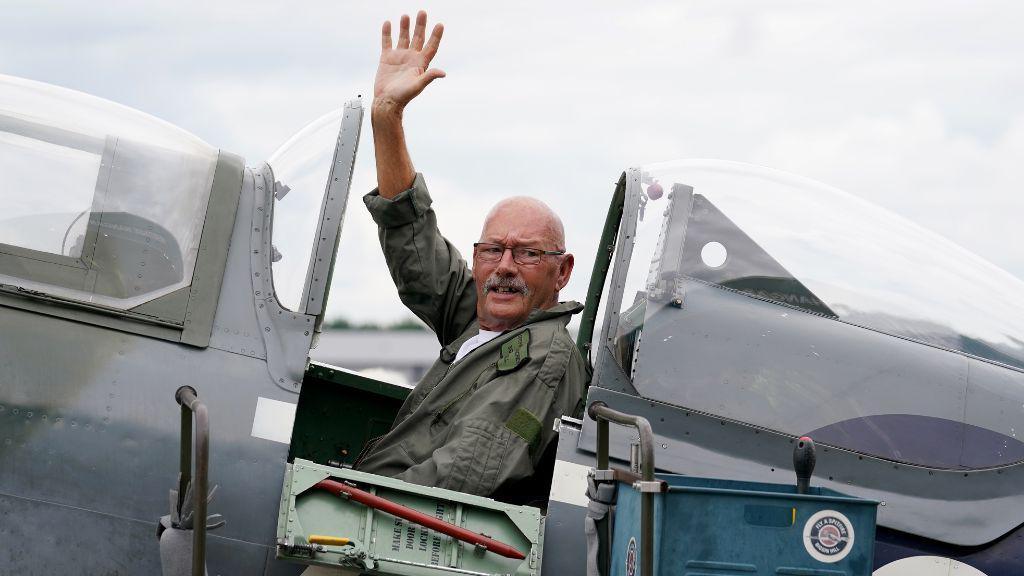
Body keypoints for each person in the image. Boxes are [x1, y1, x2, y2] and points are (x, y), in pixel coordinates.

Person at [355, 11, 588, 504]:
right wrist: (386, 120)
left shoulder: (544, 355)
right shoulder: (484, 323)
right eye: (492, 250)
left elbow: (464, 475)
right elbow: (411, 237)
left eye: (527, 254)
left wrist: (344, 500)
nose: (504, 267)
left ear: (561, 271)